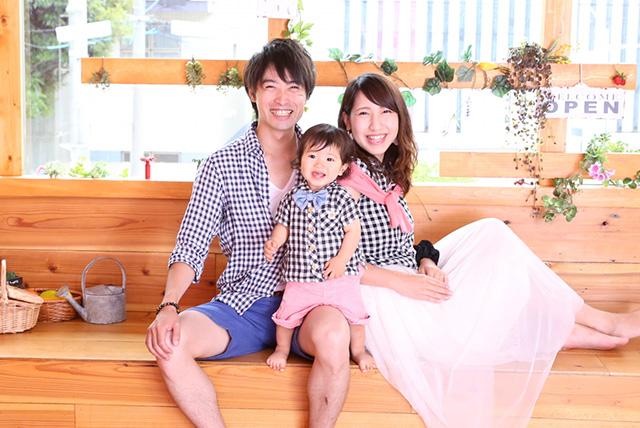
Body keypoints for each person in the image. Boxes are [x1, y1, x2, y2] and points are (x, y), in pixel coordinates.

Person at [335, 72, 640, 428]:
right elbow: (329, 258)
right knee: (473, 297)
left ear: (399, 118)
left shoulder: (384, 171)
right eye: (364, 113)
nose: (377, 125)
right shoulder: (340, 175)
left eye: (386, 112)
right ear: (347, 120)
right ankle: (581, 327)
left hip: (403, 274)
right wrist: (404, 283)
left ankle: (570, 327)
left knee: (491, 233)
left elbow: (399, 244)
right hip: (374, 295)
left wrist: (425, 262)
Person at [145, 39, 351, 428]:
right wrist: (169, 305)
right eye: (271, 86)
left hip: (310, 301)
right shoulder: (220, 165)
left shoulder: (328, 159)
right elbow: (191, 245)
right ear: (253, 93)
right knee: (169, 344)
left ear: (306, 96)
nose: (283, 99)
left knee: (335, 335)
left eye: (294, 87)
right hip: (243, 304)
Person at [264, 123, 374, 373]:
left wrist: (341, 260)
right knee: (286, 315)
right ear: (300, 160)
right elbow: (283, 226)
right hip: (300, 277)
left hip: (338, 277)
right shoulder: (292, 197)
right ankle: (281, 349)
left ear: (342, 168)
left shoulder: (343, 198)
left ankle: (359, 350)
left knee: (356, 315)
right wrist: (275, 242)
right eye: (312, 156)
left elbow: (353, 231)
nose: (319, 164)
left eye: (329, 159)